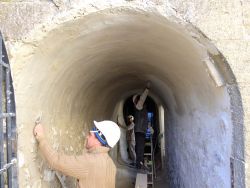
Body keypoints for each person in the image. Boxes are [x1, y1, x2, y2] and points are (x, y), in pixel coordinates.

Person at [33, 120, 121, 188]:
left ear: (98, 139)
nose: (87, 137)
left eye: (90, 135)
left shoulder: (89, 162)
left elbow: (55, 160)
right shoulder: (111, 165)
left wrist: (41, 138)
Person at [133, 81, 151, 172]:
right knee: (140, 148)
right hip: (139, 131)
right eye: (138, 99)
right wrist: (147, 89)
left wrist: (149, 127)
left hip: (141, 131)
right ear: (136, 101)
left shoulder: (142, 108)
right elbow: (142, 99)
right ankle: (139, 165)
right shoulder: (139, 106)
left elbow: (145, 119)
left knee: (141, 148)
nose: (140, 99)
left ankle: (139, 164)